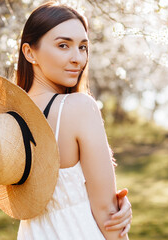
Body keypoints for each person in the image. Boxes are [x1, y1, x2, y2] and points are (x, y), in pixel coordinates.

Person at [15, 2, 132, 239]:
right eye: (63, 45)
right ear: (29, 52)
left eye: (83, 47)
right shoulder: (79, 107)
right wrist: (117, 212)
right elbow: (106, 213)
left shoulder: (9, 118)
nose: (77, 58)